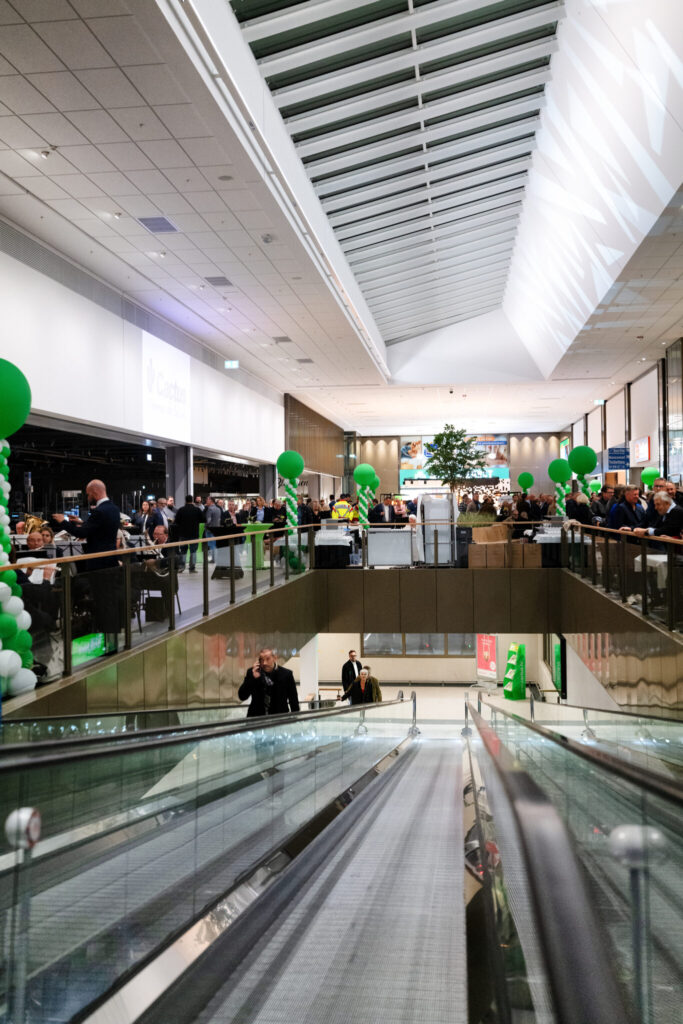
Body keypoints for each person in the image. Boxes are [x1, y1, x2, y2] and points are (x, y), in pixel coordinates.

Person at [238, 648, 299, 717]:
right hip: (256, 718)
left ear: (275, 658)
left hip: (279, 718)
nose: (264, 663)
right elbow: (242, 696)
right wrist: (253, 678)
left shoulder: (286, 674)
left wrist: (296, 719)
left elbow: (293, 700)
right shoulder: (252, 672)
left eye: (268, 659)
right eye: (261, 660)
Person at [173, 493, 204, 572]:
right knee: (193, 552)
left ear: (185, 500)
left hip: (183, 534)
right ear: (192, 500)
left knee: (183, 551)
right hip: (194, 534)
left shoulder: (181, 510)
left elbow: (176, 521)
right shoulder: (197, 510)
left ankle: (182, 567)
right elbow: (203, 520)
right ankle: (192, 568)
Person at [204, 495, 222, 563]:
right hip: (217, 530)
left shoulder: (210, 509)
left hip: (210, 530)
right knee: (214, 545)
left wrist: (205, 525)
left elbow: (208, 521)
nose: (206, 501)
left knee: (211, 545)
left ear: (211, 501)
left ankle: (213, 559)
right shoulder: (218, 509)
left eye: (207, 500)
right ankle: (215, 558)